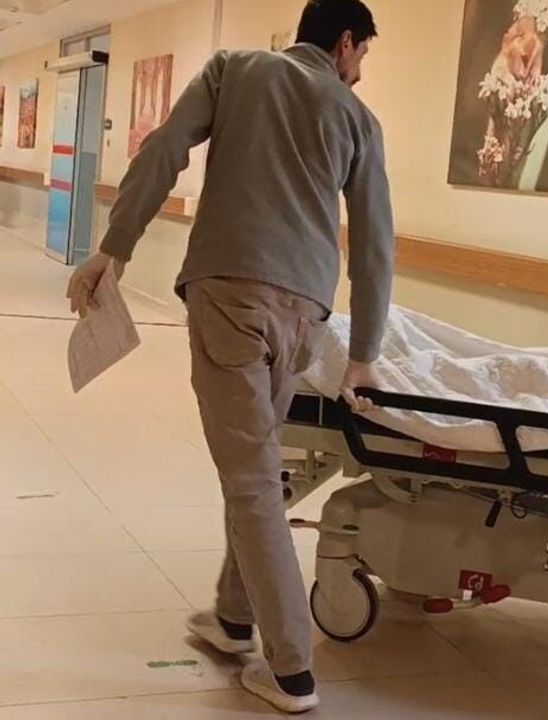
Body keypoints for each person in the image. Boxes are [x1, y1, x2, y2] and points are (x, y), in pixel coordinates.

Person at [65, 0, 394, 713]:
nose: (360, 72)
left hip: (230, 299)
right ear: (344, 43)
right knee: (257, 468)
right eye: (363, 55)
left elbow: (163, 150)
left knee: (251, 479)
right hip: (304, 312)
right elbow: (375, 244)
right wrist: (364, 353)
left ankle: (291, 670)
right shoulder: (358, 119)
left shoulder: (235, 69)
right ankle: (234, 618)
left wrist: (114, 249)